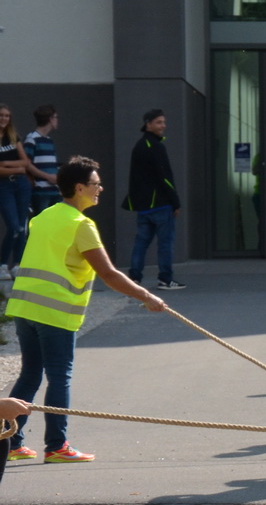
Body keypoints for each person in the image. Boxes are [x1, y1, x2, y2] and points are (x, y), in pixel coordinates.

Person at [6, 156, 168, 465]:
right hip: (55, 312)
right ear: (79, 188)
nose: (101, 189)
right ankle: (56, 446)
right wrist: (146, 296)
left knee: (30, 373)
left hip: (25, 307)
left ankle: (10, 440)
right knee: (58, 377)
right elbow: (108, 274)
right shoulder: (82, 225)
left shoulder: (43, 217)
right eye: (96, 184)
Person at [123, 109, 184, 290]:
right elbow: (165, 177)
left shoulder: (139, 146)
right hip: (161, 205)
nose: (163, 126)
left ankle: (134, 279)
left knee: (141, 244)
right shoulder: (156, 147)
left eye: (163, 122)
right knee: (165, 244)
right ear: (148, 124)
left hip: (144, 207)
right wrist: (176, 202)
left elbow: (134, 178)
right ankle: (165, 279)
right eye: (158, 122)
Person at [0, 105, 30, 279]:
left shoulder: (13, 137)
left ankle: (17, 264)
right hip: (4, 187)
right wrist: (16, 168)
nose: (4, 119)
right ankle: (3, 264)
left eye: (7, 116)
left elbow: (25, 163)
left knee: (22, 227)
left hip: (21, 185)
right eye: (1, 115)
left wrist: (5, 165)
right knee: (12, 226)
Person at [24, 105, 60, 217]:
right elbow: (27, 164)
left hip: (54, 191)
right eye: (56, 117)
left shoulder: (49, 141)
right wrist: (48, 177)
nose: (57, 120)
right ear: (50, 119)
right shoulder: (32, 138)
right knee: (41, 224)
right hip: (41, 191)